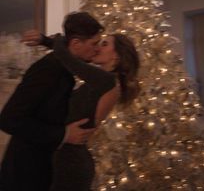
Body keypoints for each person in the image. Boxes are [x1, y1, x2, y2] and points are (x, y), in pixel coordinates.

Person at [0, 12, 117, 191]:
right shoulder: (47, 69)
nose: (97, 49)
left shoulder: (67, 68)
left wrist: (47, 41)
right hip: (26, 172)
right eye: (94, 44)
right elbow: (8, 119)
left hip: (45, 171)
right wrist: (63, 135)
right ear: (76, 44)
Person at [22, 30, 140, 191]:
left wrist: (48, 40)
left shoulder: (106, 80)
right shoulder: (103, 81)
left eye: (104, 44)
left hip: (71, 162)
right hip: (67, 158)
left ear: (116, 56)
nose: (97, 48)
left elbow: (67, 58)